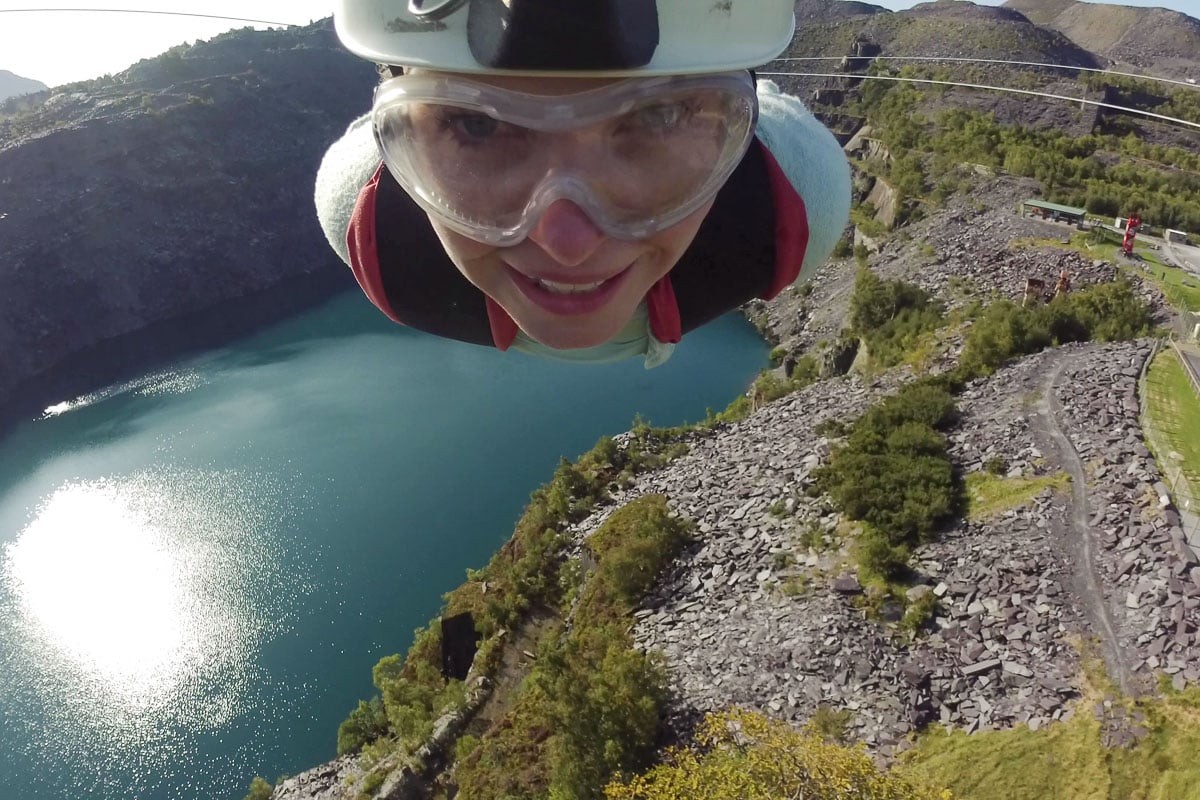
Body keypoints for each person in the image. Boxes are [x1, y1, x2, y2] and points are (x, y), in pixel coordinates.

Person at [315, 0, 850, 367]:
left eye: (658, 117)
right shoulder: (790, 214)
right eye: (477, 124)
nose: (568, 245)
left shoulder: (800, 185)